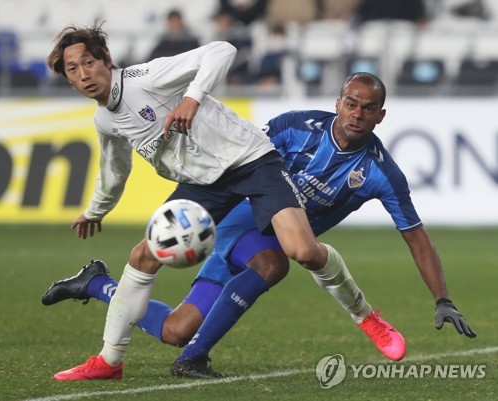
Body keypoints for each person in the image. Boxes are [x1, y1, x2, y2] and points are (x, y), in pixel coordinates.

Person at [43, 70, 476, 380]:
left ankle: (97, 283)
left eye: (368, 108)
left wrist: (443, 297)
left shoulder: (382, 174)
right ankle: (195, 359)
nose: (357, 114)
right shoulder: (295, 127)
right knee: (274, 262)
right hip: (234, 225)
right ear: (338, 102)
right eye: (351, 103)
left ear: (381, 116)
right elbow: (240, 156)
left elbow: (416, 238)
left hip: (271, 238)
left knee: (175, 329)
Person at [43, 23, 367, 381]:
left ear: (106, 59)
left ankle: (364, 313)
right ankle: (110, 359)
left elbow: (222, 50)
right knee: (143, 256)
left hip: (250, 160)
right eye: (73, 69)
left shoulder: (145, 78)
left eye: (89, 62)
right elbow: (114, 168)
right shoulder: (105, 119)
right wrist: (96, 209)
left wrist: (192, 97)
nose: (84, 74)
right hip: (204, 183)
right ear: (68, 79)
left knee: (302, 251)